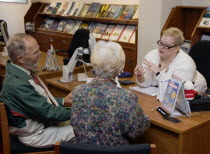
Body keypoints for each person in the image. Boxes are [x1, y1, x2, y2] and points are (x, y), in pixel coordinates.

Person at [0, 33, 75, 148]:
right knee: (90, 130)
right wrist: (82, 111)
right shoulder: (19, 84)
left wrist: (63, 101)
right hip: (38, 134)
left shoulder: (20, 71)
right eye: (36, 52)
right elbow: (49, 114)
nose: (40, 55)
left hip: (43, 125)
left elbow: (38, 102)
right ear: (20, 58)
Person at [70, 40, 150, 145]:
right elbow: (136, 131)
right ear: (120, 67)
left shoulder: (78, 91)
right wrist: (145, 117)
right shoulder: (126, 97)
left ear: (94, 64)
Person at [134, 27, 207, 93]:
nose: (161, 47)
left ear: (176, 48)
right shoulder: (152, 55)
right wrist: (140, 76)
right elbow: (146, 83)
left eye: (166, 45)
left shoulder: (187, 63)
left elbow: (175, 90)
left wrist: (157, 72)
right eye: (161, 43)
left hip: (193, 92)